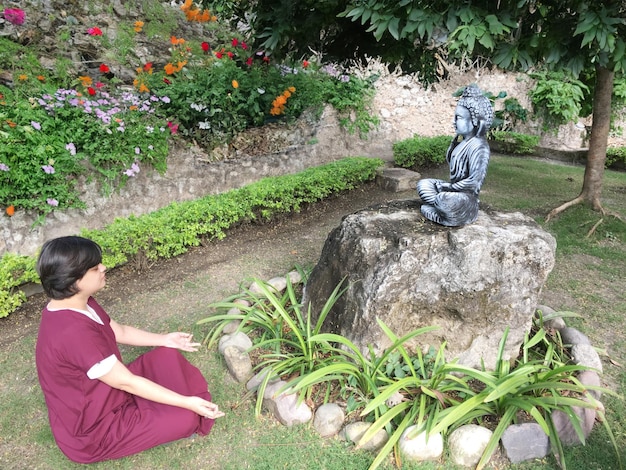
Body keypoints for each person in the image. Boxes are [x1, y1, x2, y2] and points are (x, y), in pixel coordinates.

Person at [35, 235, 224, 464]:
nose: (104, 268)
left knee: (165, 354)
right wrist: (187, 402)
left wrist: (165, 339)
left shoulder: (78, 302)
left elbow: (119, 331)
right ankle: (168, 414)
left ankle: (161, 408)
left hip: (107, 390)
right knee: (186, 417)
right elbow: (127, 382)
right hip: (95, 428)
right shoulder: (73, 334)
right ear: (73, 281)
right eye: (95, 268)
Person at [417, 84, 494, 226]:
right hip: (452, 191)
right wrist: (446, 186)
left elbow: (474, 182)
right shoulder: (461, 142)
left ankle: (447, 214)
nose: (454, 122)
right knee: (424, 184)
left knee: (444, 199)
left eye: (458, 118)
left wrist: (449, 187)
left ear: (475, 121)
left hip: (466, 199)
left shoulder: (479, 146)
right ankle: (442, 209)